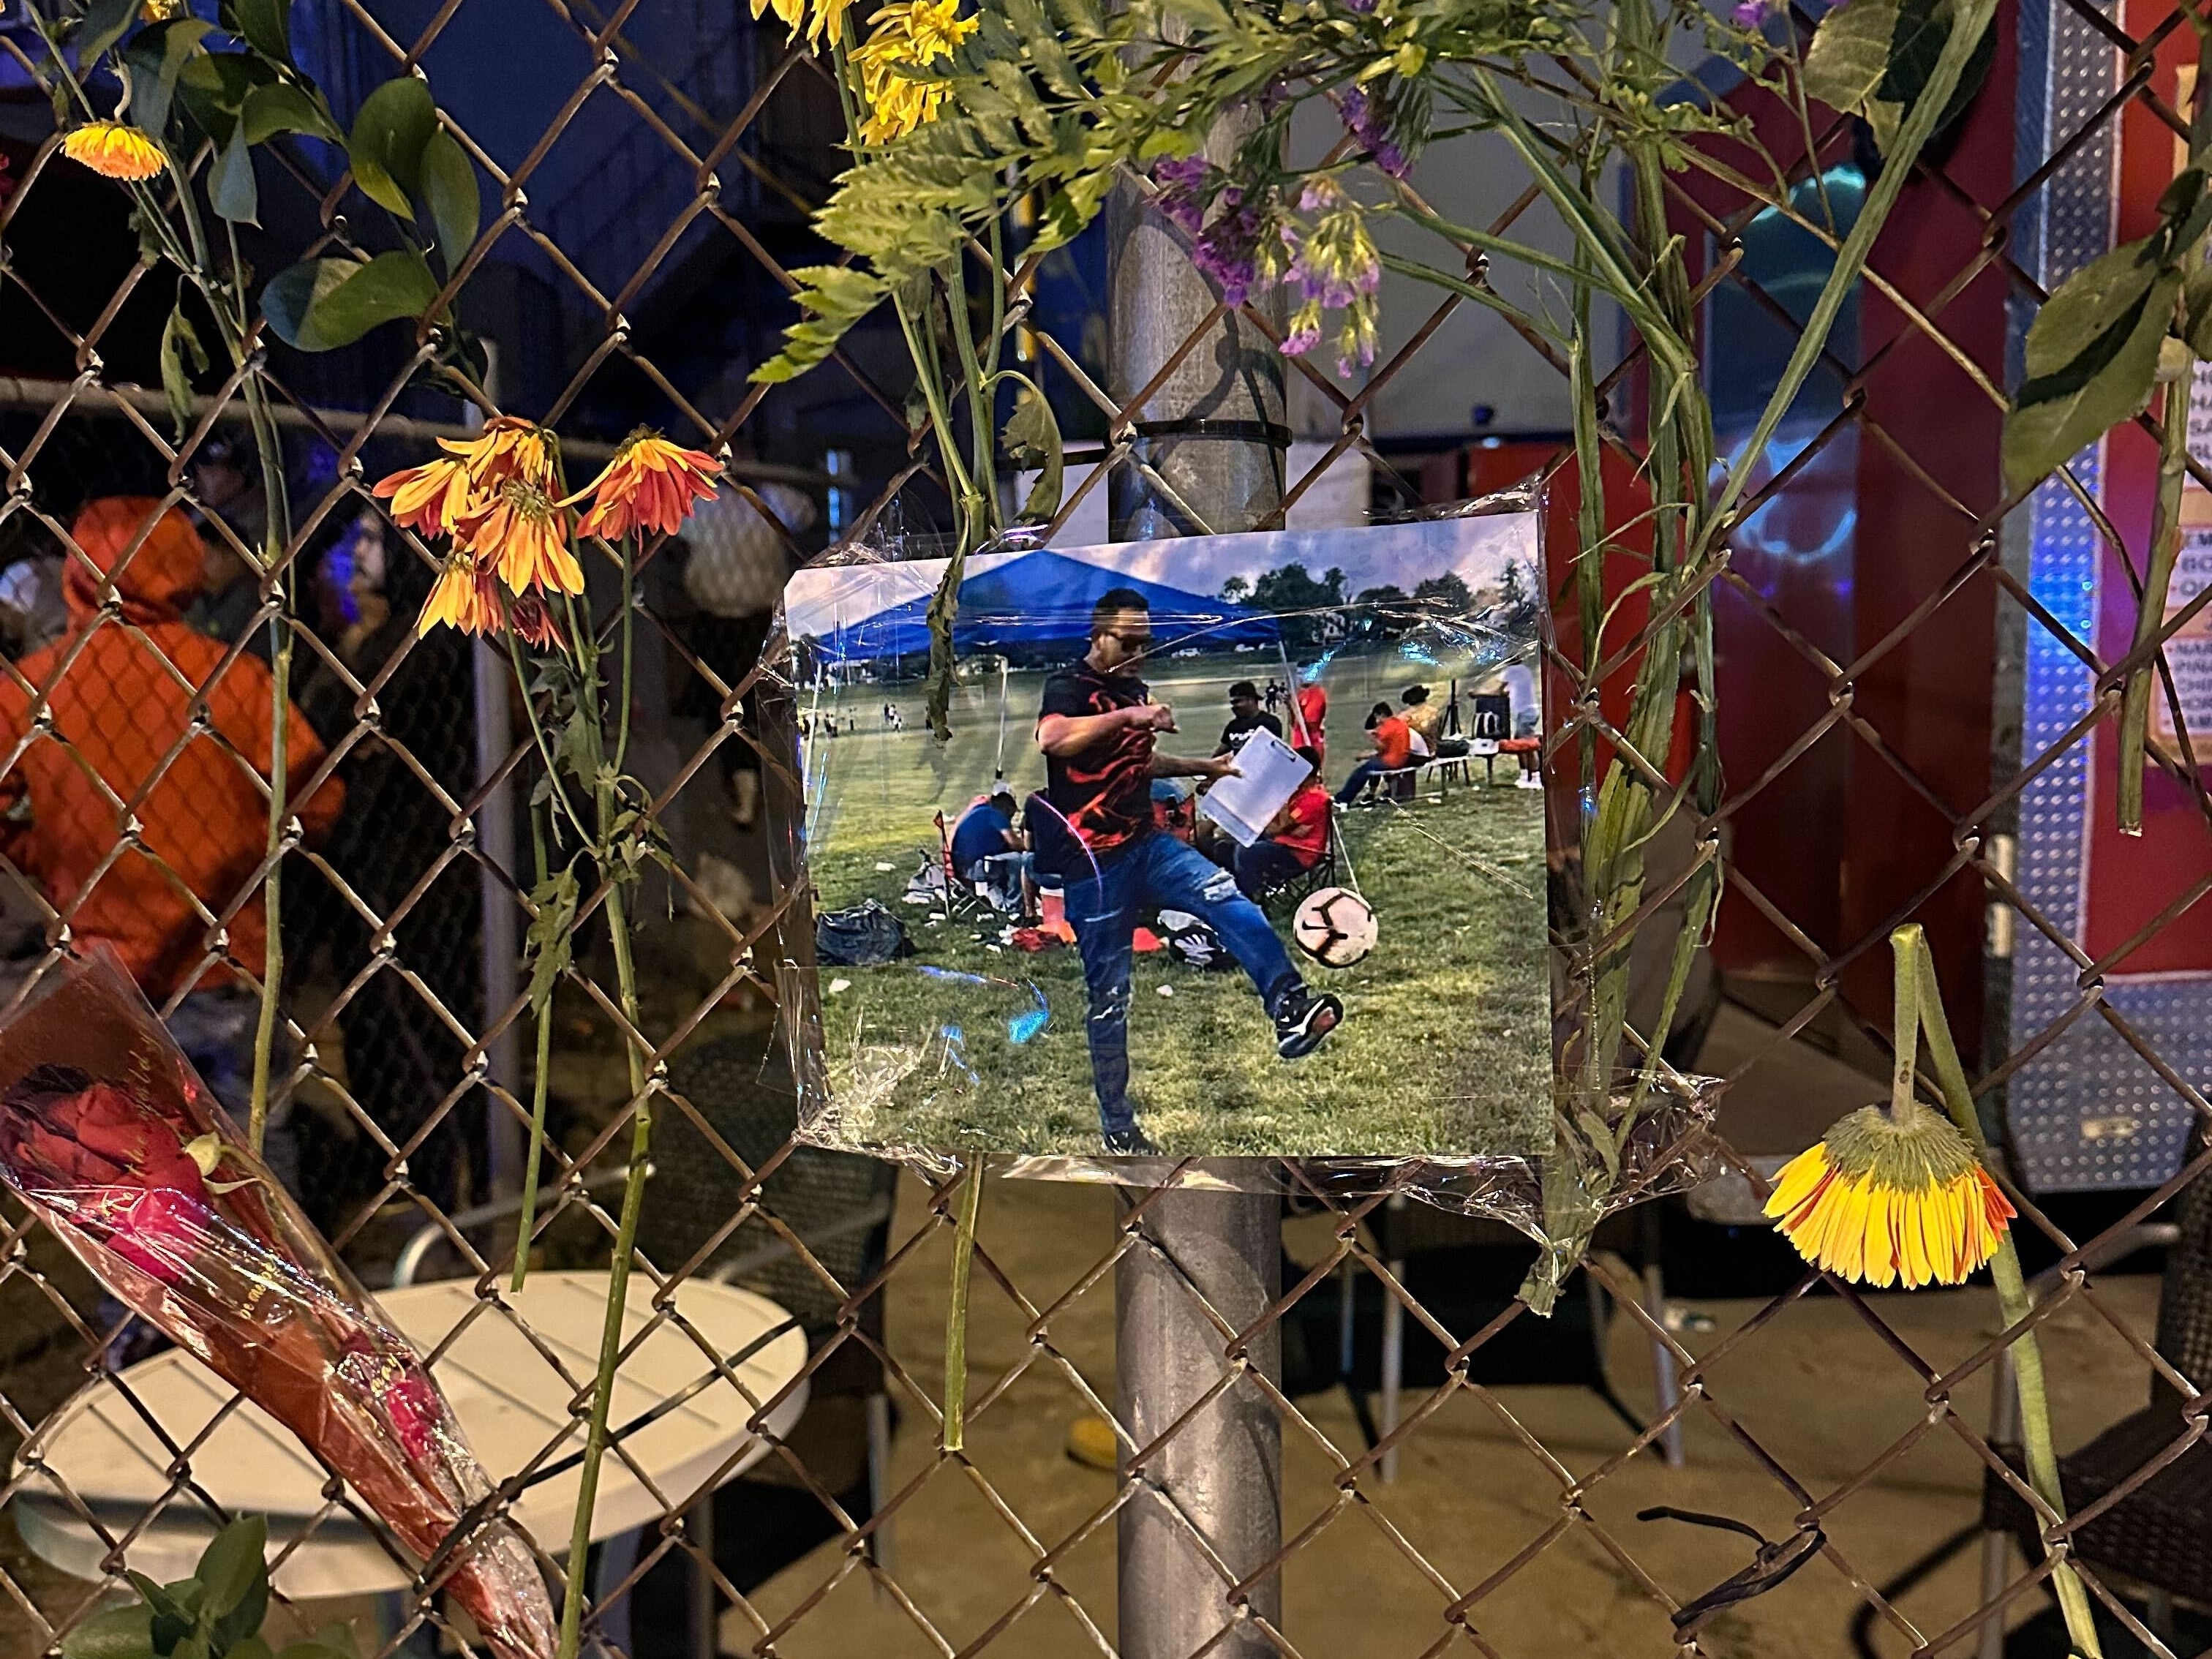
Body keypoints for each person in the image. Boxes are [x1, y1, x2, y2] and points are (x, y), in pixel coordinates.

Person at [0, 498, 343, 1186]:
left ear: (77, 570)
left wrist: (48, 858)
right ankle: (266, 1246)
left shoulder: (34, 688)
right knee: (251, 1142)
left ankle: (144, 1259)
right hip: (226, 954)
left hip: (103, 962)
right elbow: (319, 798)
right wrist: (240, 846)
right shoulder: (234, 679)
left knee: (126, 1153)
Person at [1034, 589, 1342, 1154]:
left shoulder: (1133, 688)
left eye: (1145, 643)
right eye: (1128, 643)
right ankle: (1119, 1127)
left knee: (1224, 893)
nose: (1138, 654)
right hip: (1093, 867)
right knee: (1110, 998)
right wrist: (1133, 714)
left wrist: (1207, 765)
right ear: (1097, 635)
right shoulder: (1069, 687)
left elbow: (1139, 762)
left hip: (1146, 844)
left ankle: (1289, 1006)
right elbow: (1051, 739)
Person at [673, 470, 817, 830]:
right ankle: (743, 776)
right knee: (726, 704)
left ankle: (752, 776)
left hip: (758, 622)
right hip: (717, 620)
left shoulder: (767, 498)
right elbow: (672, 522)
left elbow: (806, 511)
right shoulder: (705, 503)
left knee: (747, 703)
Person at [185, 435, 273, 658]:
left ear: (239, 476)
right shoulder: (194, 506)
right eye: (208, 469)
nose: (213, 478)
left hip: (241, 609)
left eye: (224, 470)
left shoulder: (262, 515)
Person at [1232, 748, 1331, 899]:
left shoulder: (1315, 797)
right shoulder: (1298, 791)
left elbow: (1281, 826)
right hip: (1284, 842)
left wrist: (1282, 802)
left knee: (1246, 851)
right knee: (1232, 841)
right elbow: (1272, 824)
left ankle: (1250, 896)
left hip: (1300, 852)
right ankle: (1237, 889)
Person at [950, 786, 1034, 914]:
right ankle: (1014, 908)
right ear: (1006, 804)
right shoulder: (996, 815)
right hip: (976, 867)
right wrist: (1031, 844)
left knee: (1003, 861)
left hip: (962, 867)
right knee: (1019, 860)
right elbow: (1015, 844)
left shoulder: (979, 811)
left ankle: (1000, 905)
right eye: (1011, 810)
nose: (1011, 815)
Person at [1335, 700, 1415, 805]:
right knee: (1372, 765)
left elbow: (1380, 749)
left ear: (1381, 715)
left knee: (1361, 772)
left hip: (1392, 761)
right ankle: (1367, 794)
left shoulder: (1385, 729)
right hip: (1402, 757)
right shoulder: (1399, 723)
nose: (1377, 721)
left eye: (1377, 717)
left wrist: (1372, 738)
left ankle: (1344, 798)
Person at [1214, 679, 1283, 756]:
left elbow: (1274, 753)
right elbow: (1220, 752)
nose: (1234, 707)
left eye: (1237, 702)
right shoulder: (1233, 726)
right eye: (1233, 703)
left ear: (1251, 700)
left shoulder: (1269, 722)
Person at [1291, 672, 1328, 766]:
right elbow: (1294, 723)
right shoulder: (1300, 694)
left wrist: (1296, 712)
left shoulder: (1316, 694)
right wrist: (1290, 705)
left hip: (1311, 744)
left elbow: (1311, 722)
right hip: (1299, 745)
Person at [1401, 685, 1445, 753]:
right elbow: (1439, 733)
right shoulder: (1435, 712)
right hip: (1434, 750)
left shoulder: (1403, 717)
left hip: (1412, 753)